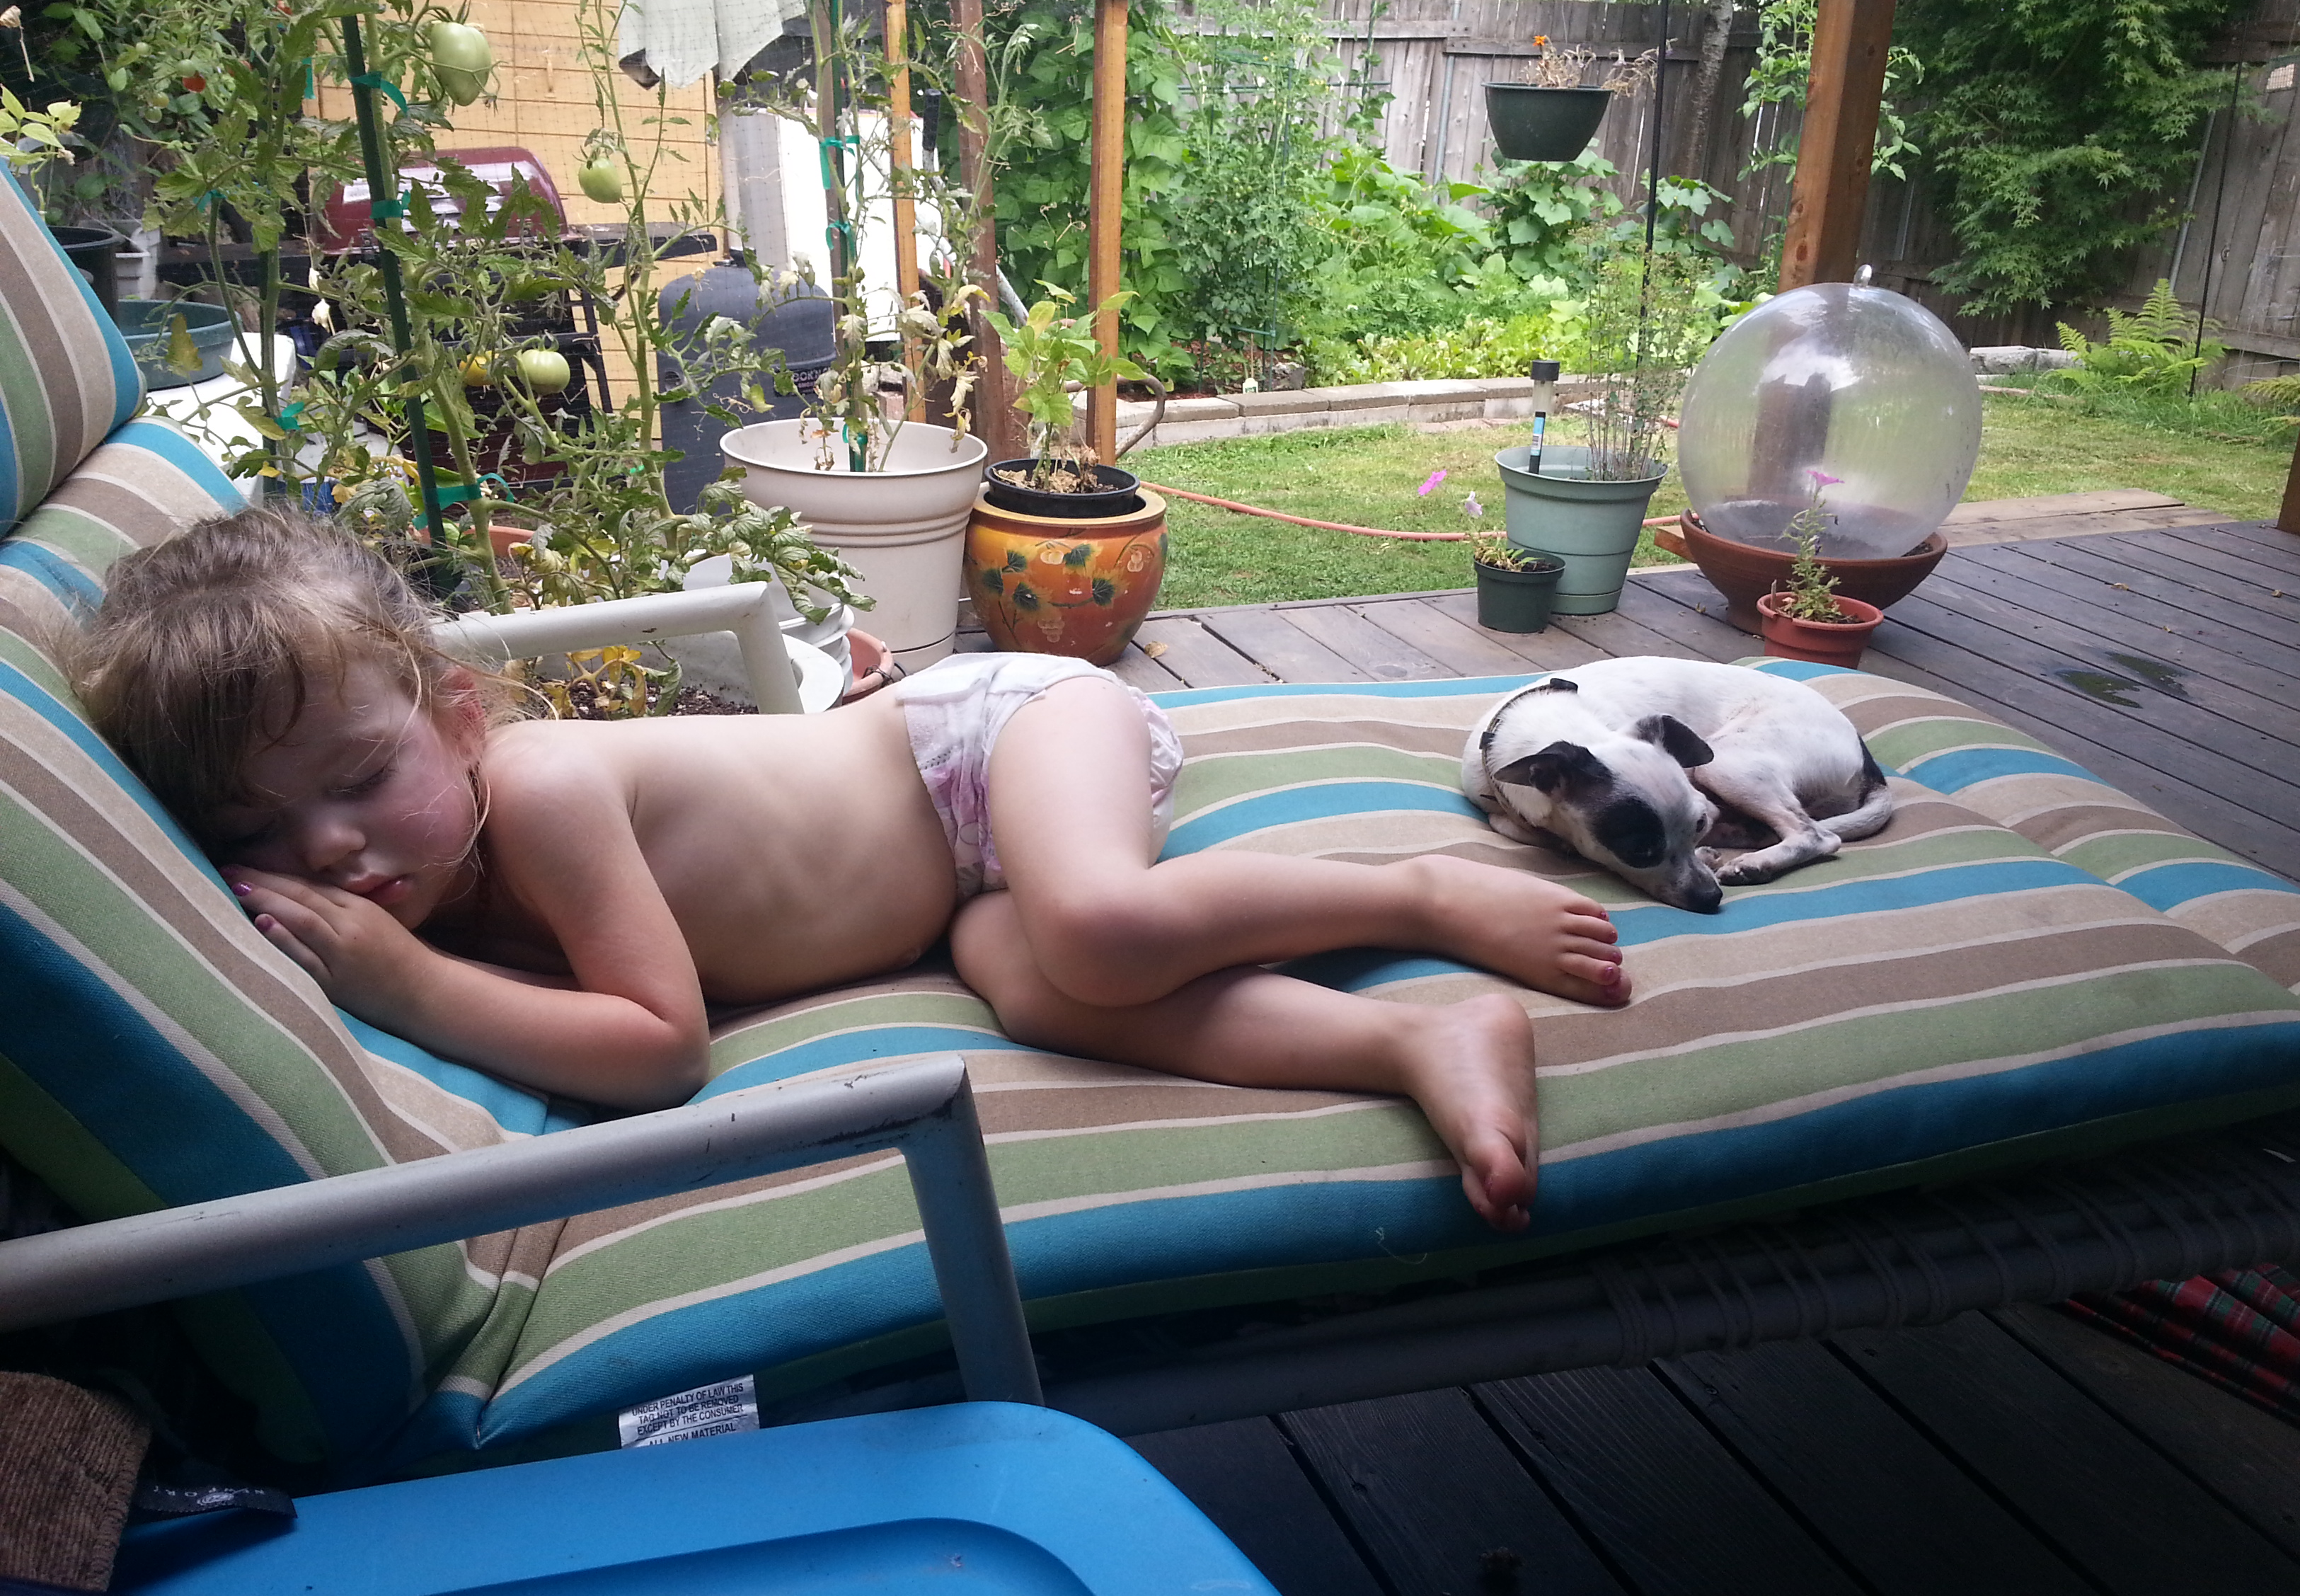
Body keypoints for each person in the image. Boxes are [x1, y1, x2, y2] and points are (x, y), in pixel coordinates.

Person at [65, 511, 1630, 1231]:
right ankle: (1411, 1040)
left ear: (461, 715)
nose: (326, 853)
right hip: (952, 904)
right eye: (256, 836)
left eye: (357, 782)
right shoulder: (425, 873)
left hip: (989, 736)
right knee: (1045, 989)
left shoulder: (534, 790)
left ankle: (1420, 895)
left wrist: (409, 985)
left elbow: (659, 1048)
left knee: (1095, 927)